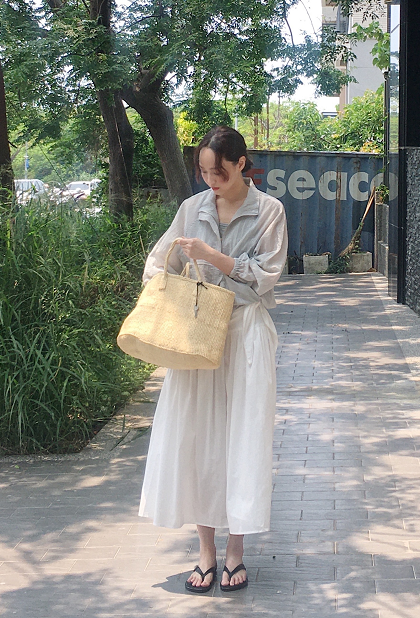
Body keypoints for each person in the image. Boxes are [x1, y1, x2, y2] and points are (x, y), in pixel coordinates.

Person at [138, 125, 288, 593]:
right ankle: (205, 552)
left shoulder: (269, 211)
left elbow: (265, 276)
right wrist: (162, 288)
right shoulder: (192, 208)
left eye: (218, 172)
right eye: (204, 172)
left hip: (245, 334)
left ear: (241, 164)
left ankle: (235, 553)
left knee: (244, 438)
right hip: (197, 336)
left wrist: (212, 256)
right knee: (198, 440)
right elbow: (160, 261)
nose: (210, 181)